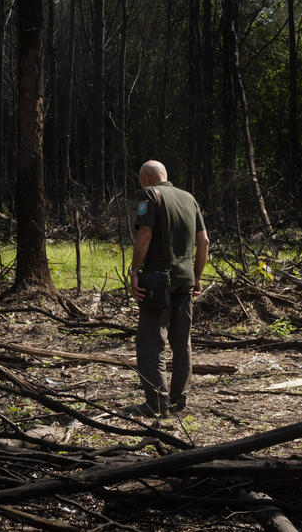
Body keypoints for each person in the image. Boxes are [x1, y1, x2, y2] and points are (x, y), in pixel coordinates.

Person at [127, 160, 208, 418]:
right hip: (184, 282)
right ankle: (178, 399)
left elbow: (144, 235)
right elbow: (204, 241)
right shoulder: (188, 198)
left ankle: (157, 402)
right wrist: (197, 276)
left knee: (150, 343)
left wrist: (134, 271)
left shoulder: (150, 194)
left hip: (157, 282)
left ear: (146, 178)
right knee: (182, 342)